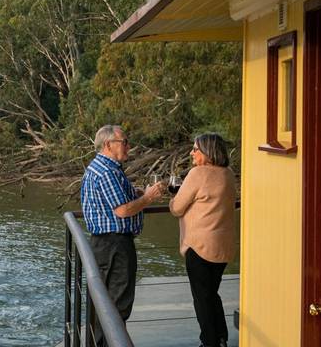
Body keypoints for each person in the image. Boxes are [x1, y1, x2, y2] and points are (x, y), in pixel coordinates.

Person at [80, 125, 164, 346]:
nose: (129, 146)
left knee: (104, 303)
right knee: (117, 304)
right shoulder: (108, 171)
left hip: (105, 245)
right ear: (108, 145)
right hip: (114, 245)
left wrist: (134, 193)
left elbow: (113, 203)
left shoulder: (103, 167)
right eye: (124, 142)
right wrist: (148, 198)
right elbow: (122, 210)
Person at [169, 133, 236, 347]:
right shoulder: (228, 174)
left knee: (202, 298)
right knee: (210, 293)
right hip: (222, 247)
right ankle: (221, 338)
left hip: (199, 246)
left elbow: (178, 207)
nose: (191, 152)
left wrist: (173, 199)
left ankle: (209, 342)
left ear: (207, 152)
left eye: (195, 149)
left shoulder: (198, 173)